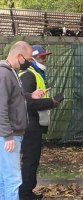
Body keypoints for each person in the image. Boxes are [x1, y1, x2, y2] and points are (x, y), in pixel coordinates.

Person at [0, 41, 45, 200]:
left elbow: (14, 98)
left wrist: (30, 96)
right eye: (27, 59)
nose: (29, 62)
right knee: (13, 179)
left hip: (11, 134)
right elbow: (1, 107)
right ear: (19, 57)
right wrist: (7, 135)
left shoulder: (11, 72)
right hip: (9, 136)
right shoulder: (4, 74)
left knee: (5, 178)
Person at [18, 45, 60, 200]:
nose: (45, 59)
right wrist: (50, 102)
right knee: (30, 160)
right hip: (30, 125)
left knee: (30, 160)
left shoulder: (35, 73)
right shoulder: (29, 75)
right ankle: (25, 194)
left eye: (45, 56)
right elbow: (27, 102)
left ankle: (26, 192)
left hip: (32, 123)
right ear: (32, 58)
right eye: (42, 57)